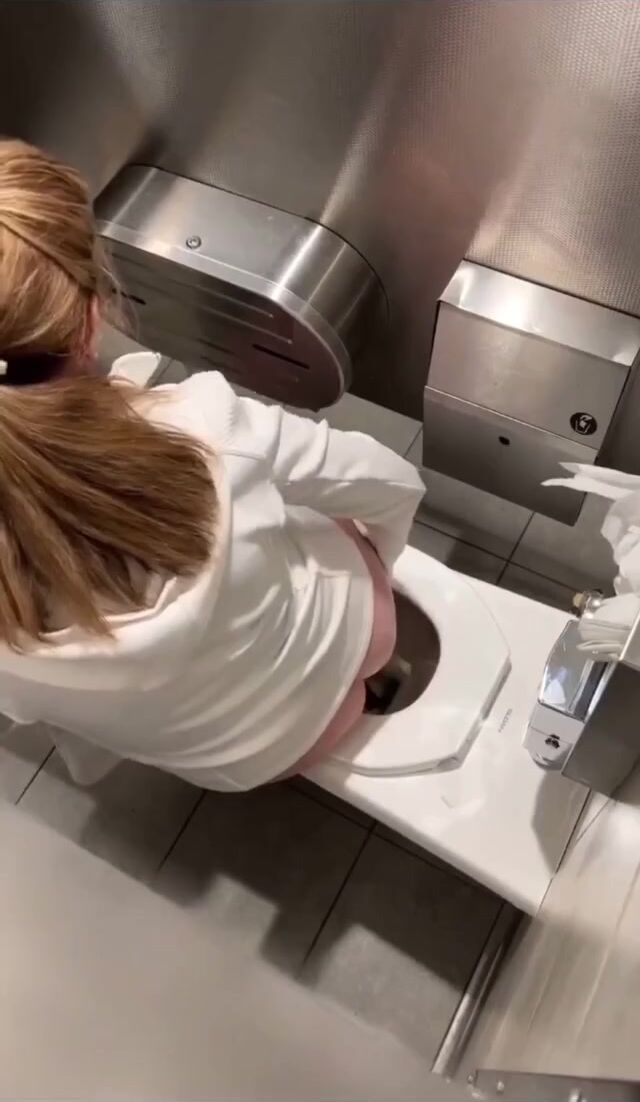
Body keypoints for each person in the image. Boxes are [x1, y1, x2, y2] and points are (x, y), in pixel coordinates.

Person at [0, 138, 425, 790]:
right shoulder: (201, 428)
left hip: (238, 763)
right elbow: (387, 480)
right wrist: (380, 555)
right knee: (319, 507)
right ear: (90, 321)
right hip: (346, 664)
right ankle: (371, 680)